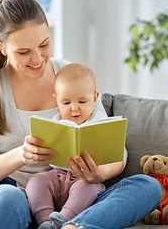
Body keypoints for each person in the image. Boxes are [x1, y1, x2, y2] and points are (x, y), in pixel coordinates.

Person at [0, 0, 161, 229]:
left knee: (147, 187)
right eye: (23, 52)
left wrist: (100, 173)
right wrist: (21, 155)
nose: (37, 58)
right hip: (11, 194)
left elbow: (118, 153)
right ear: (1, 47)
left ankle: (73, 226)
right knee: (8, 197)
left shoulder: (72, 76)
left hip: (75, 198)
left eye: (44, 44)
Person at [26, 63, 110, 229]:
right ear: (56, 100)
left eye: (81, 101)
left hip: (85, 178)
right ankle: (45, 221)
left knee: (88, 187)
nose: (74, 108)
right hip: (57, 175)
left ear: (94, 98)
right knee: (36, 181)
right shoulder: (56, 121)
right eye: (66, 102)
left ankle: (63, 220)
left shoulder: (99, 121)